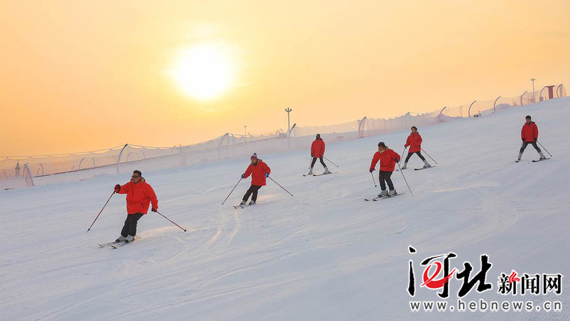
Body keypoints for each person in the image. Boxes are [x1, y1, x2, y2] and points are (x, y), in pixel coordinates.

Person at [113, 170, 158, 243]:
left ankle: (131, 235)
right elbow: (123, 189)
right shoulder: (130, 184)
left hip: (141, 208)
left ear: (140, 177)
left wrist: (154, 206)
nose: (134, 178)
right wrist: (118, 189)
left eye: (136, 177)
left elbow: (153, 197)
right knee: (127, 221)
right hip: (131, 208)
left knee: (133, 220)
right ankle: (124, 235)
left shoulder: (146, 186)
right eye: (133, 176)